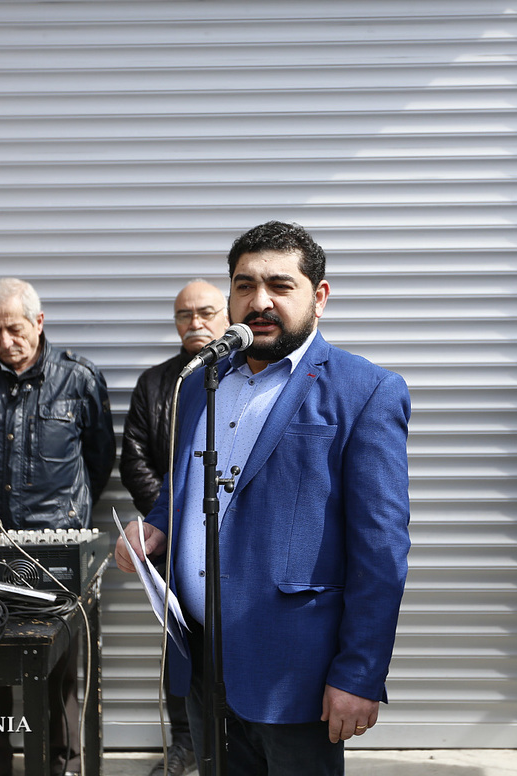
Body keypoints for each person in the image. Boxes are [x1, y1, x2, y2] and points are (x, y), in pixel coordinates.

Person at [115, 221, 411, 776]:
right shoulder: (201, 382)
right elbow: (188, 481)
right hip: (201, 659)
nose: (260, 301)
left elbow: (382, 551)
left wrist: (360, 673)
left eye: (280, 285)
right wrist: (157, 525)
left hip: (293, 673)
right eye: (245, 285)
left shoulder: (365, 391)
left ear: (319, 297)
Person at [0, 277, 115, 776]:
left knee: (57, 673)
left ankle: (61, 766)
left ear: (38, 322)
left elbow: (99, 461)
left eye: (14, 328)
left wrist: (64, 516)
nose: (5, 340)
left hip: (55, 551)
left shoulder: (79, 378)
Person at [120, 279, 228, 776]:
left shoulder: (243, 374)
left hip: (232, 544)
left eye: (205, 312)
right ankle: (185, 743)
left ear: (227, 315)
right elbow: (135, 459)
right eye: (184, 315)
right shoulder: (159, 382)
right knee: (180, 647)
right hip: (173, 545)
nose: (195, 323)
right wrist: (170, 520)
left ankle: (235, 744)